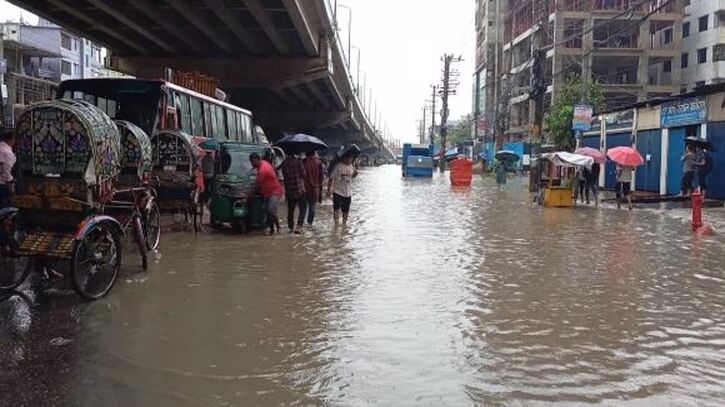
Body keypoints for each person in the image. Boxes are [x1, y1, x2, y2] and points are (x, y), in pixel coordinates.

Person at [249, 152, 283, 235]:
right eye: (251, 162)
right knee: (266, 210)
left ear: (258, 160)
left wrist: (247, 199)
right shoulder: (264, 163)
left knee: (270, 210)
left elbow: (255, 187)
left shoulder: (262, 170)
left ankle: (277, 228)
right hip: (267, 191)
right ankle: (272, 229)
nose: (252, 164)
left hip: (275, 191)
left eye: (253, 162)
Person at [327, 152, 358, 226]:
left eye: (352, 159)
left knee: (346, 211)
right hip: (338, 192)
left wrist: (355, 173)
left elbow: (353, 176)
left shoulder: (351, 166)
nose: (352, 160)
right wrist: (328, 190)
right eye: (351, 158)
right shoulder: (337, 166)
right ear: (345, 158)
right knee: (336, 209)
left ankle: (344, 224)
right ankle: (336, 224)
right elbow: (331, 178)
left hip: (348, 193)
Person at [280, 153, 307, 234]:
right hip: (300, 189)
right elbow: (303, 175)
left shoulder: (284, 163)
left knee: (291, 210)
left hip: (289, 190)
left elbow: (284, 176)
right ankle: (299, 226)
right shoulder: (299, 161)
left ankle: (291, 227)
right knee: (303, 208)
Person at [303, 150, 324, 227]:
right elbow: (321, 177)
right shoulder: (319, 162)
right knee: (312, 207)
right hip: (315, 188)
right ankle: (309, 223)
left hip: (304, 188)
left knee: (303, 207)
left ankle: (301, 224)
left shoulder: (304, 161)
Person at [0, 129, 16, 208]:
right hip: (2, 187)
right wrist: (12, 190)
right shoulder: (8, 153)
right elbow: (7, 173)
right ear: (12, 139)